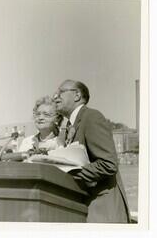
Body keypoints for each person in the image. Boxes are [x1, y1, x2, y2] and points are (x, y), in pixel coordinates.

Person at [53, 79, 131, 223]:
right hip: (84, 207)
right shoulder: (68, 127)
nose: (55, 97)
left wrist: (69, 174)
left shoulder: (92, 117)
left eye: (61, 92)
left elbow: (108, 164)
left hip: (103, 210)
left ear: (77, 95)